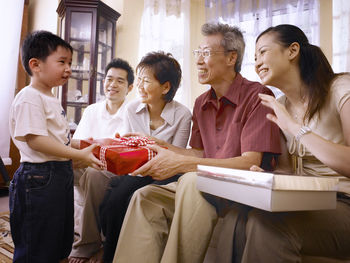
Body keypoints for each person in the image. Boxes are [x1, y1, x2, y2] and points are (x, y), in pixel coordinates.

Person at [112, 22, 281, 263]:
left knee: (191, 180)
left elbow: (250, 162)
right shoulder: (202, 102)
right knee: (145, 197)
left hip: (240, 187)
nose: (198, 61)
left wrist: (179, 164)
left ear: (231, 57)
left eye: (206, 53)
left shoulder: (257, 96)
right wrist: (158, 144)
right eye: (197, 53)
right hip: (208, 183)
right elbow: (198, 153)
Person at [218, 24, 350, 263]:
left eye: (263, 52)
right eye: (255, 57)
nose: (257, 62)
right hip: (307, 200)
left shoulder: (341, 88)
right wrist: (266, 176)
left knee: (268, 225)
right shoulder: (280, 106)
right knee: (235, 217)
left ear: (293, 51)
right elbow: (289, 172)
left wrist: (295, 128)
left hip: (345, 203)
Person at [8, 30, 103, 263]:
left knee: (58, 236)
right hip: (38, 178)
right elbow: (37, 140)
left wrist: (92, 143)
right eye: (62, 62)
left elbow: (59, 140)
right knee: (36, 242)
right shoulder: (30, 97)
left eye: (70, 62)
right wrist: (78, 154)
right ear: (36, 65)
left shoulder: (50, 98)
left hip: (58, 175)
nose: (69, 68)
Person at [99, 51, 192, 263]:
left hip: (166, 174)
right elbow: (129, 148)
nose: (139, 85)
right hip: (136, 170)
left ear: (166, 87)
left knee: (131, 197)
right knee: (112, 203)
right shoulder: (132, 109)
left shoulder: (183, 115)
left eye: (146, 80)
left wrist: (150, 146)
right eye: (138, 79)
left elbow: (175, 155)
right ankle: (111, 255)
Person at [69, 58, 134, 263]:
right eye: (109, 79)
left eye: (120, 81)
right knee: (56, 167)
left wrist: (91, 151)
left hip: (114, 170)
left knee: (94, 174)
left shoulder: (132, 113)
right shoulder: (91, 110)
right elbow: (76, 145)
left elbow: (122, 154)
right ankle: (54, 232)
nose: (112, 85)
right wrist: (90, 152)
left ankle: (88, 244)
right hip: (89, 162)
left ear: (130, 87)